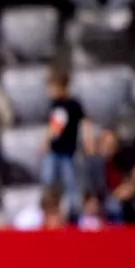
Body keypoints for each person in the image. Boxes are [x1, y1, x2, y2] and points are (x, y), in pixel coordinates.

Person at [43, 67, 84, 198]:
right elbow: (53, 126)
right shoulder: (54, 105)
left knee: (70, 182)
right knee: (47, 179)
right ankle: (48, 205)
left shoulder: (73, 105)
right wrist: (46, 141)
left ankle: (73, 210)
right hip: (54, 150)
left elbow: (85, 122)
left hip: (68, 152)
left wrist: (89, 140)